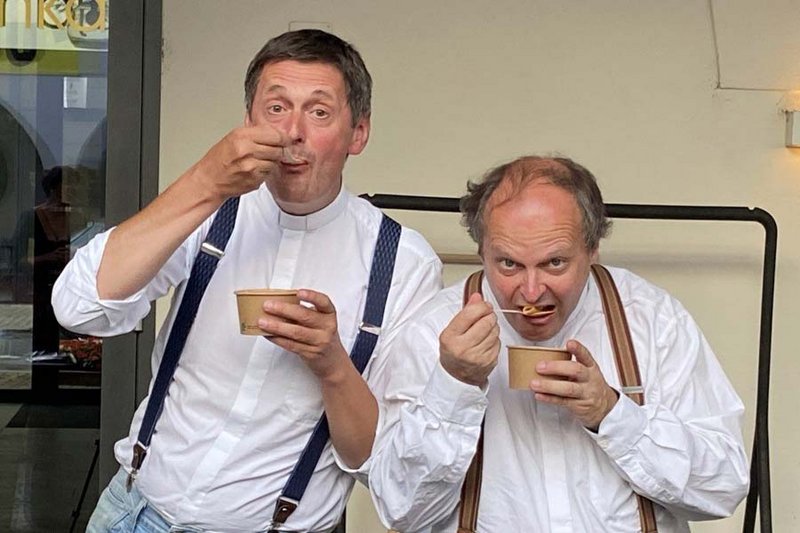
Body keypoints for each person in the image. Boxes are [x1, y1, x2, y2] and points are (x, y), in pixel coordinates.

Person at [52, 29, 442, 532]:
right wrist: (204, 181)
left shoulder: (403, 262)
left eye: (319, 112)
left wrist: (332, 365)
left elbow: (376, 460)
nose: (292, 132)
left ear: (358, 133)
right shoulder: (209, 210)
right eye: (276, 108)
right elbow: (79, 308)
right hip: (132, 513)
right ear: (248, 121)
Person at [368, 155, 749, 532]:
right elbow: (402, 510)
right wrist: (454, 385)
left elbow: (724, 487)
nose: (532, 291)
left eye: (554, 263)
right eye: (509, 264)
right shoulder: (433, 330)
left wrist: (612, 414)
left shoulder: (652, 319)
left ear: (593, 249)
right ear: (481, 251)